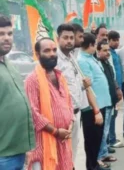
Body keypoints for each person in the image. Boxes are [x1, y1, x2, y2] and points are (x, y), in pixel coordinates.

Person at [25, 38, 74, 170]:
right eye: (47, 51)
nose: (52, 54)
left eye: (54, 50)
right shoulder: (32, 79)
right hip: (45, 144)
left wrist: (71, 123)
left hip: (63, 141)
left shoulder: (60, 76)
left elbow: (69, 103)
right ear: (37, 54)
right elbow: (33, 113)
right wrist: (56, 131)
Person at [0, 14, 35, 170]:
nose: (7, 38)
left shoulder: (8, 64)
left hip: (17, 150)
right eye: (1, 34)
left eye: (9, 33)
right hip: (3, 154)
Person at [56, 24, 91, 166]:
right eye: (65, 38)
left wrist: (83, 85)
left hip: (76, 114)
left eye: (71, 37)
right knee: (63, 155)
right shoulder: (56, 61)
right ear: (58, 39)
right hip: (64, 116)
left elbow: (72, 85)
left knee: (72, 153)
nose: (69, 41)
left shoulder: (71, 57)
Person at [77, 33, 112, 170]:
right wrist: (96, 109)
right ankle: (91, 166)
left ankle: (95, 163)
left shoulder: (90, 58)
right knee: (92, 140)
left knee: (98, 138)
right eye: (95, 44)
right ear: (91, 45)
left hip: (100, 104)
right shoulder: (83, 61)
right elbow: (88, 87)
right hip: (92, 107)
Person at [97, 40, 122, 166]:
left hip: (111, 100)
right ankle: (101, 155)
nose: (108, 53)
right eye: (105, 50)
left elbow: (112, 79)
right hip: (102, 103)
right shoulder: (98, 64)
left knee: (106, 130)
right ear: (98, 51)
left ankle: (104, 152)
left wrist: (117, 89)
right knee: (103, 131)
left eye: (108, 50)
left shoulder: (107, 63)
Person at [107, 31, 124, 148]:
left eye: (117, 40)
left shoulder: (115, 53)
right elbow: (111, 72)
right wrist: (117, 88)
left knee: (114, 113)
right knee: (112, 114)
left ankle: (112, 137)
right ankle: (111, 139)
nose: (116, 42)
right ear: (109, 41)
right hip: (114, 88)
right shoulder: (108, 53)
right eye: (114, 40)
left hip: (118, 86)